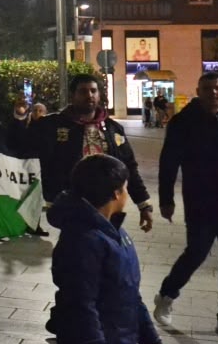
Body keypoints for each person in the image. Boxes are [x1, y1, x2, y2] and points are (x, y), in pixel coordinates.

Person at [48, 154, 162, 344]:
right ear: (115, 193)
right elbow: (80, 307)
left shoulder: (115, 233)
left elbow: (129, 290)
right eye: (125, 188)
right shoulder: (83, 240)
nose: (127, 194)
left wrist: (147, 332)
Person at [153, 73, 218, 339]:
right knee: (197, 253)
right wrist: (166, 199)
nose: (214, 93)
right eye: (208, 88)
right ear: (198, 90)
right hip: (202, 200)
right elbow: (168, 163)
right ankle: (166, 294)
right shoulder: (183, 122)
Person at [26, 74, 154, 238]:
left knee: (106, 252)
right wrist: (21, 116)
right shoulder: (53, 125)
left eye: (93, 91)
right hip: (72, 205)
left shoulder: (113, 129)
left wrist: (144, 205)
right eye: (83, 91)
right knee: (79, 251)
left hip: (108, 207)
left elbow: (129, 167)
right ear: (73, 96)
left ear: (99, 95)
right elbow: (23, 144)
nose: (89, 95)